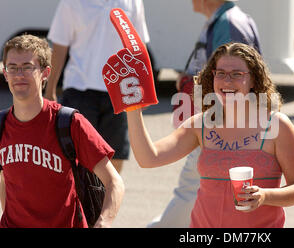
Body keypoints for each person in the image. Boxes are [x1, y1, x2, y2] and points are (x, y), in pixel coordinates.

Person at [124, 42, 294, 227]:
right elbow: (148, 158)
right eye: (220, 73)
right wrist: (133, 109)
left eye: (237, 74)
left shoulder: (276, 125)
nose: (227, 81)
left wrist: (264, 195)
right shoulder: (201, 124)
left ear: (253, 79)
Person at [150, 0, 261, 227]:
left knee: (191, 189)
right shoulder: (224, 20)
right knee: (196, 190)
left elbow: (232, 79)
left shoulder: (228, 23)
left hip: (219, 123)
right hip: (217, 121)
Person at [0, 34, 124, 228]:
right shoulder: (1, 125)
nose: (19, 75)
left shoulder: (68, 122)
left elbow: (114, 182)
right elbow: (4, 180)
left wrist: (104, 221)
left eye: (27, 67)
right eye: (12, 68)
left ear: (45, 73)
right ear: (5, 73)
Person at [44, 0, 150, 174]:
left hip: (121, 91)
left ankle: (108, 200)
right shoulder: (72, 2)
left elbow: (138, 46)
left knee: (115, 157)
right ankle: (79, 201)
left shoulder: (133, 2)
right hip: (79, 89)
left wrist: (144, 90)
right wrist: (50, 89)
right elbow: (60, 45)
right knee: (76, 158)